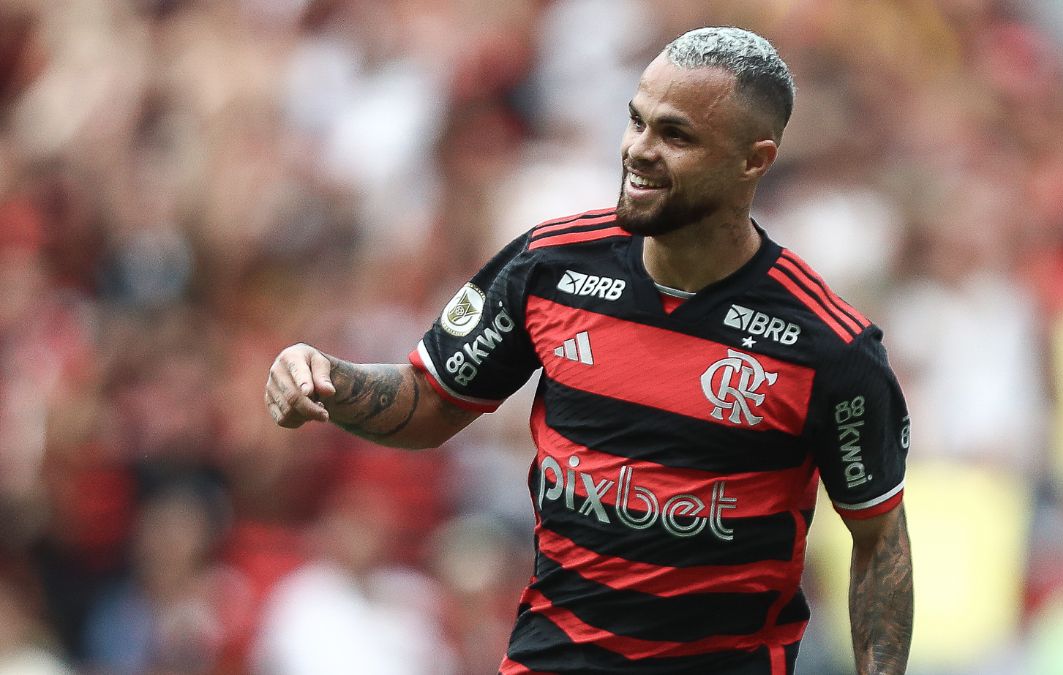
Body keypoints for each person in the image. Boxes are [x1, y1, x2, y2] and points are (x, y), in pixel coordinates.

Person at [265, 26, 913, 675]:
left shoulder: (828, 345)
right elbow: (429, 401)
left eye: (676, 135)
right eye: (637, 121)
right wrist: (327, 382)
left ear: (754, 160)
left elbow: (878, 538)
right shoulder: (548, 268)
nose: (639, 150)